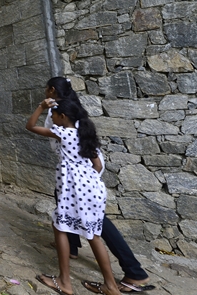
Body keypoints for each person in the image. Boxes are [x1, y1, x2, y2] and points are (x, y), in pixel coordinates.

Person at [43, 78, 154, 294]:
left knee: (98, 224)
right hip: (82, 171)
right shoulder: (74, 110)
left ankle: (134, 271)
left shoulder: (57, 111)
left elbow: (43, 131)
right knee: (65, 208)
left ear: (52, 90)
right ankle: (72, 247)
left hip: (80, 175)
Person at [26, 98, 122, 295]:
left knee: (60, 227)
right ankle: (111, 286)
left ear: (63, 117)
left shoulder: (62, 132)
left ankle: (64, 282)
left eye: (53, 115)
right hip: (94, 190)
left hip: (74, 191)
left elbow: (30, 126)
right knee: (94, 236)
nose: (51, 119)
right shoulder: (85, 133)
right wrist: (85, 178)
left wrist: (41, 107)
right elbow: (98, 166)